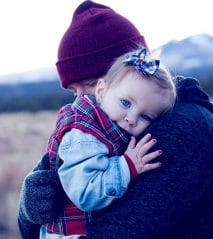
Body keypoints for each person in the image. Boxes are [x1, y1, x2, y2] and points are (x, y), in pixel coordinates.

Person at [18, 1, 213, 239]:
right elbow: (31, 228)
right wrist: (28, 209)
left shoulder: (183, 130)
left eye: (91, 84)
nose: (81, 102)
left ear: (131, 70)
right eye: (73, 92)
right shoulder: (100, 128)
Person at [41, 48, 176, 238]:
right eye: (126, 103)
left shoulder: (110, 125)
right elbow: (85, 192)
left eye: (145, 116)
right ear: (101, 90)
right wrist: (127, 166)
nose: (132, 119)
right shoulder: (83, 133)